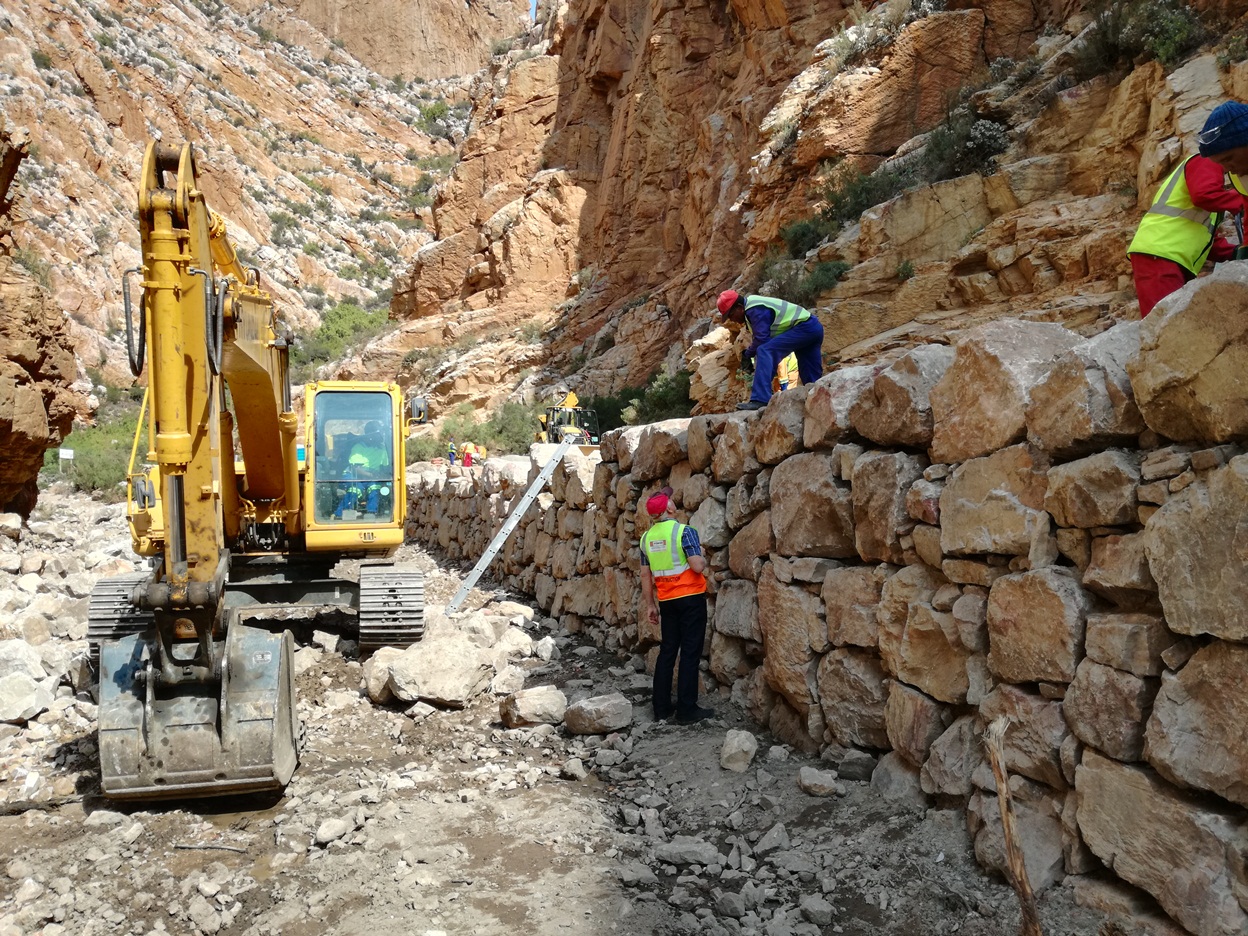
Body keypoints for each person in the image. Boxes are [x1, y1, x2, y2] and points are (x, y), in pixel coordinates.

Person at [1127, 100, 1248, 317]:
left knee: (1172, 319)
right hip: (1160, 252)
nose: (1230, 167)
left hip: (1166, 254)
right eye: (1225, 160)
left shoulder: (1214, 177)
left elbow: (1204, 238)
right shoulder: (1207, 161)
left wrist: (1233, 252)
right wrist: (1238, 203)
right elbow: (1204, 194)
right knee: (1163, 322)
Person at [639, 486, 714, 725]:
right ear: (669, 508)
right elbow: (697, 566)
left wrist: (650, 605)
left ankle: (661, 708)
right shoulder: (685, 532)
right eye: (670, 500)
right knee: (690, 653)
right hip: (691, 599)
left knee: (668, 651)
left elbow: (644, 575)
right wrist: (702, 555)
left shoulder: (646, 538)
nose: (673, 501)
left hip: (667, 601)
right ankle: (686, 711)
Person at [716, 290, 824, 410]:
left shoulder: (754, 309)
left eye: (731, 315)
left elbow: (762, 340)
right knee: (812, 380)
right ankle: (820, 404)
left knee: (764, 350)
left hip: (804, 328)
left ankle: (760, 399)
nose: (732, 320)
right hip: (813, 328)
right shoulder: (752, 310)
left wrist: (748, 354)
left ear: (740, 307)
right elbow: (770, 351)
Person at [335, 421, 390, 517]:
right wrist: (372, 475)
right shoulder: (359, 447)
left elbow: (384, 467)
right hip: (353, 476)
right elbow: (355, 469)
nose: (380, 437)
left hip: (371, 477)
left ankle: (372, 513)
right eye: (378, 434)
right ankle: (340, 515)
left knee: (375, 488)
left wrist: (383, 476)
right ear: (370, 436)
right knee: (355, 489)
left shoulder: (382, 449)